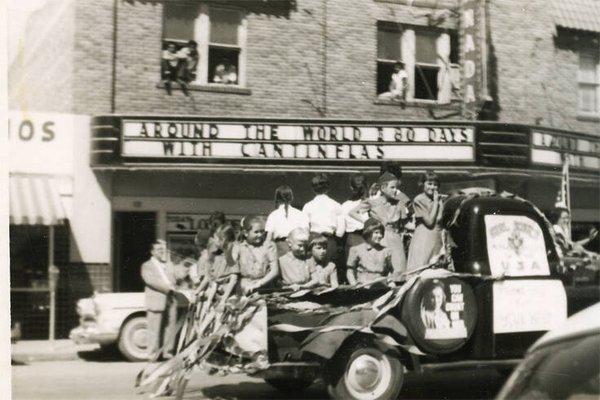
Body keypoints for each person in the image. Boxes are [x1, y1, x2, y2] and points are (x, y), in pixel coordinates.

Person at [351, 172, 410, 273]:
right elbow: (352, 212)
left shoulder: (399, 204)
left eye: (396, 187)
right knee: (382, 269)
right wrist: (369, 223)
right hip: (379, 239)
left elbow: (406, 224)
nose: (395, 190)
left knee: (398, 270)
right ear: (383, 188)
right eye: (392, 187)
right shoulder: (373, 202)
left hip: (395, 240)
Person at [140, 239, 178, 360]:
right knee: (154, 329)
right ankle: (152, 354)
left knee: (170, 326)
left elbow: (176, 277)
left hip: (171, 300)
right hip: (156, 300)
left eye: (162, 249)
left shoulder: (169, 265)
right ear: (152, 252)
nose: (161, 252)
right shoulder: (147, 266)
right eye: (158, 250)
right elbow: (150, 281)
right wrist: (168, 289)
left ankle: (168, 352)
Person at [302, 173, 345, 268]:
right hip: (330, 241)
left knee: (313, 272)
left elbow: (304, 229)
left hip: (313, 241)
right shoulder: (336, 205)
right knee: (329, 271)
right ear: (328, 188)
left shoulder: (308, 206)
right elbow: (340, 232)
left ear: (313, 189)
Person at [407, 171, 444, 270]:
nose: (432, 187)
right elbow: (430, 222)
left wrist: (438, 202)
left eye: (435, 185)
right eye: (429, 184)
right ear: (423, 184)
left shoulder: (439, 200)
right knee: (421, 269)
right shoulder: (419, 200)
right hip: (424, 239)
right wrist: (436, 202)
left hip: (436, 238)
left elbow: (439, 219)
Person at [196, 224, 239, 308]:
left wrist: (223, 300)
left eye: (215, 238)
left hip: (230, 297)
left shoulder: (233, 253)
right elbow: (216, 281)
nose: (214, 241)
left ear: (223, 239)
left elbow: (233, 279)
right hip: (221, 295)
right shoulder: (222, 255)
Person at [233, 215, 279, 294]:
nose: (260, 235)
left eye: (262, 231)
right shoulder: (238, 247)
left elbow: (274, 271)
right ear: (245, 233)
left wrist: (258, 284)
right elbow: (233, 273)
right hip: (244, 286)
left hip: (265, 286)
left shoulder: (269, 246)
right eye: (256, 232)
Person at [265, 185, 309, 256]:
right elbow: (306, 234)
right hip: (298, 247)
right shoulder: (300, 214)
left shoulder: (273, 215)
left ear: (277, 199)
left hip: (280, 249)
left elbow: (268, 239)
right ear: (291, 198)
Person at [346, 218, 393, 285]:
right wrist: (354, 284)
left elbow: (389, 272)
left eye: (381, 233)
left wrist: (391, 282)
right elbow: (350, 271)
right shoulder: (356, 250)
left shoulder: (386, 251)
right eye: (376, 233)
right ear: (368, 233)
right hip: (364, 287)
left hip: (381, 286)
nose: (380, 236)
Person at [341, 175, 369, 262]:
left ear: (351, 188)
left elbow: (341, 230)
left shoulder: (344, 206)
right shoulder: (369, 202)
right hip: (367, 239)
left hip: (351, 239)